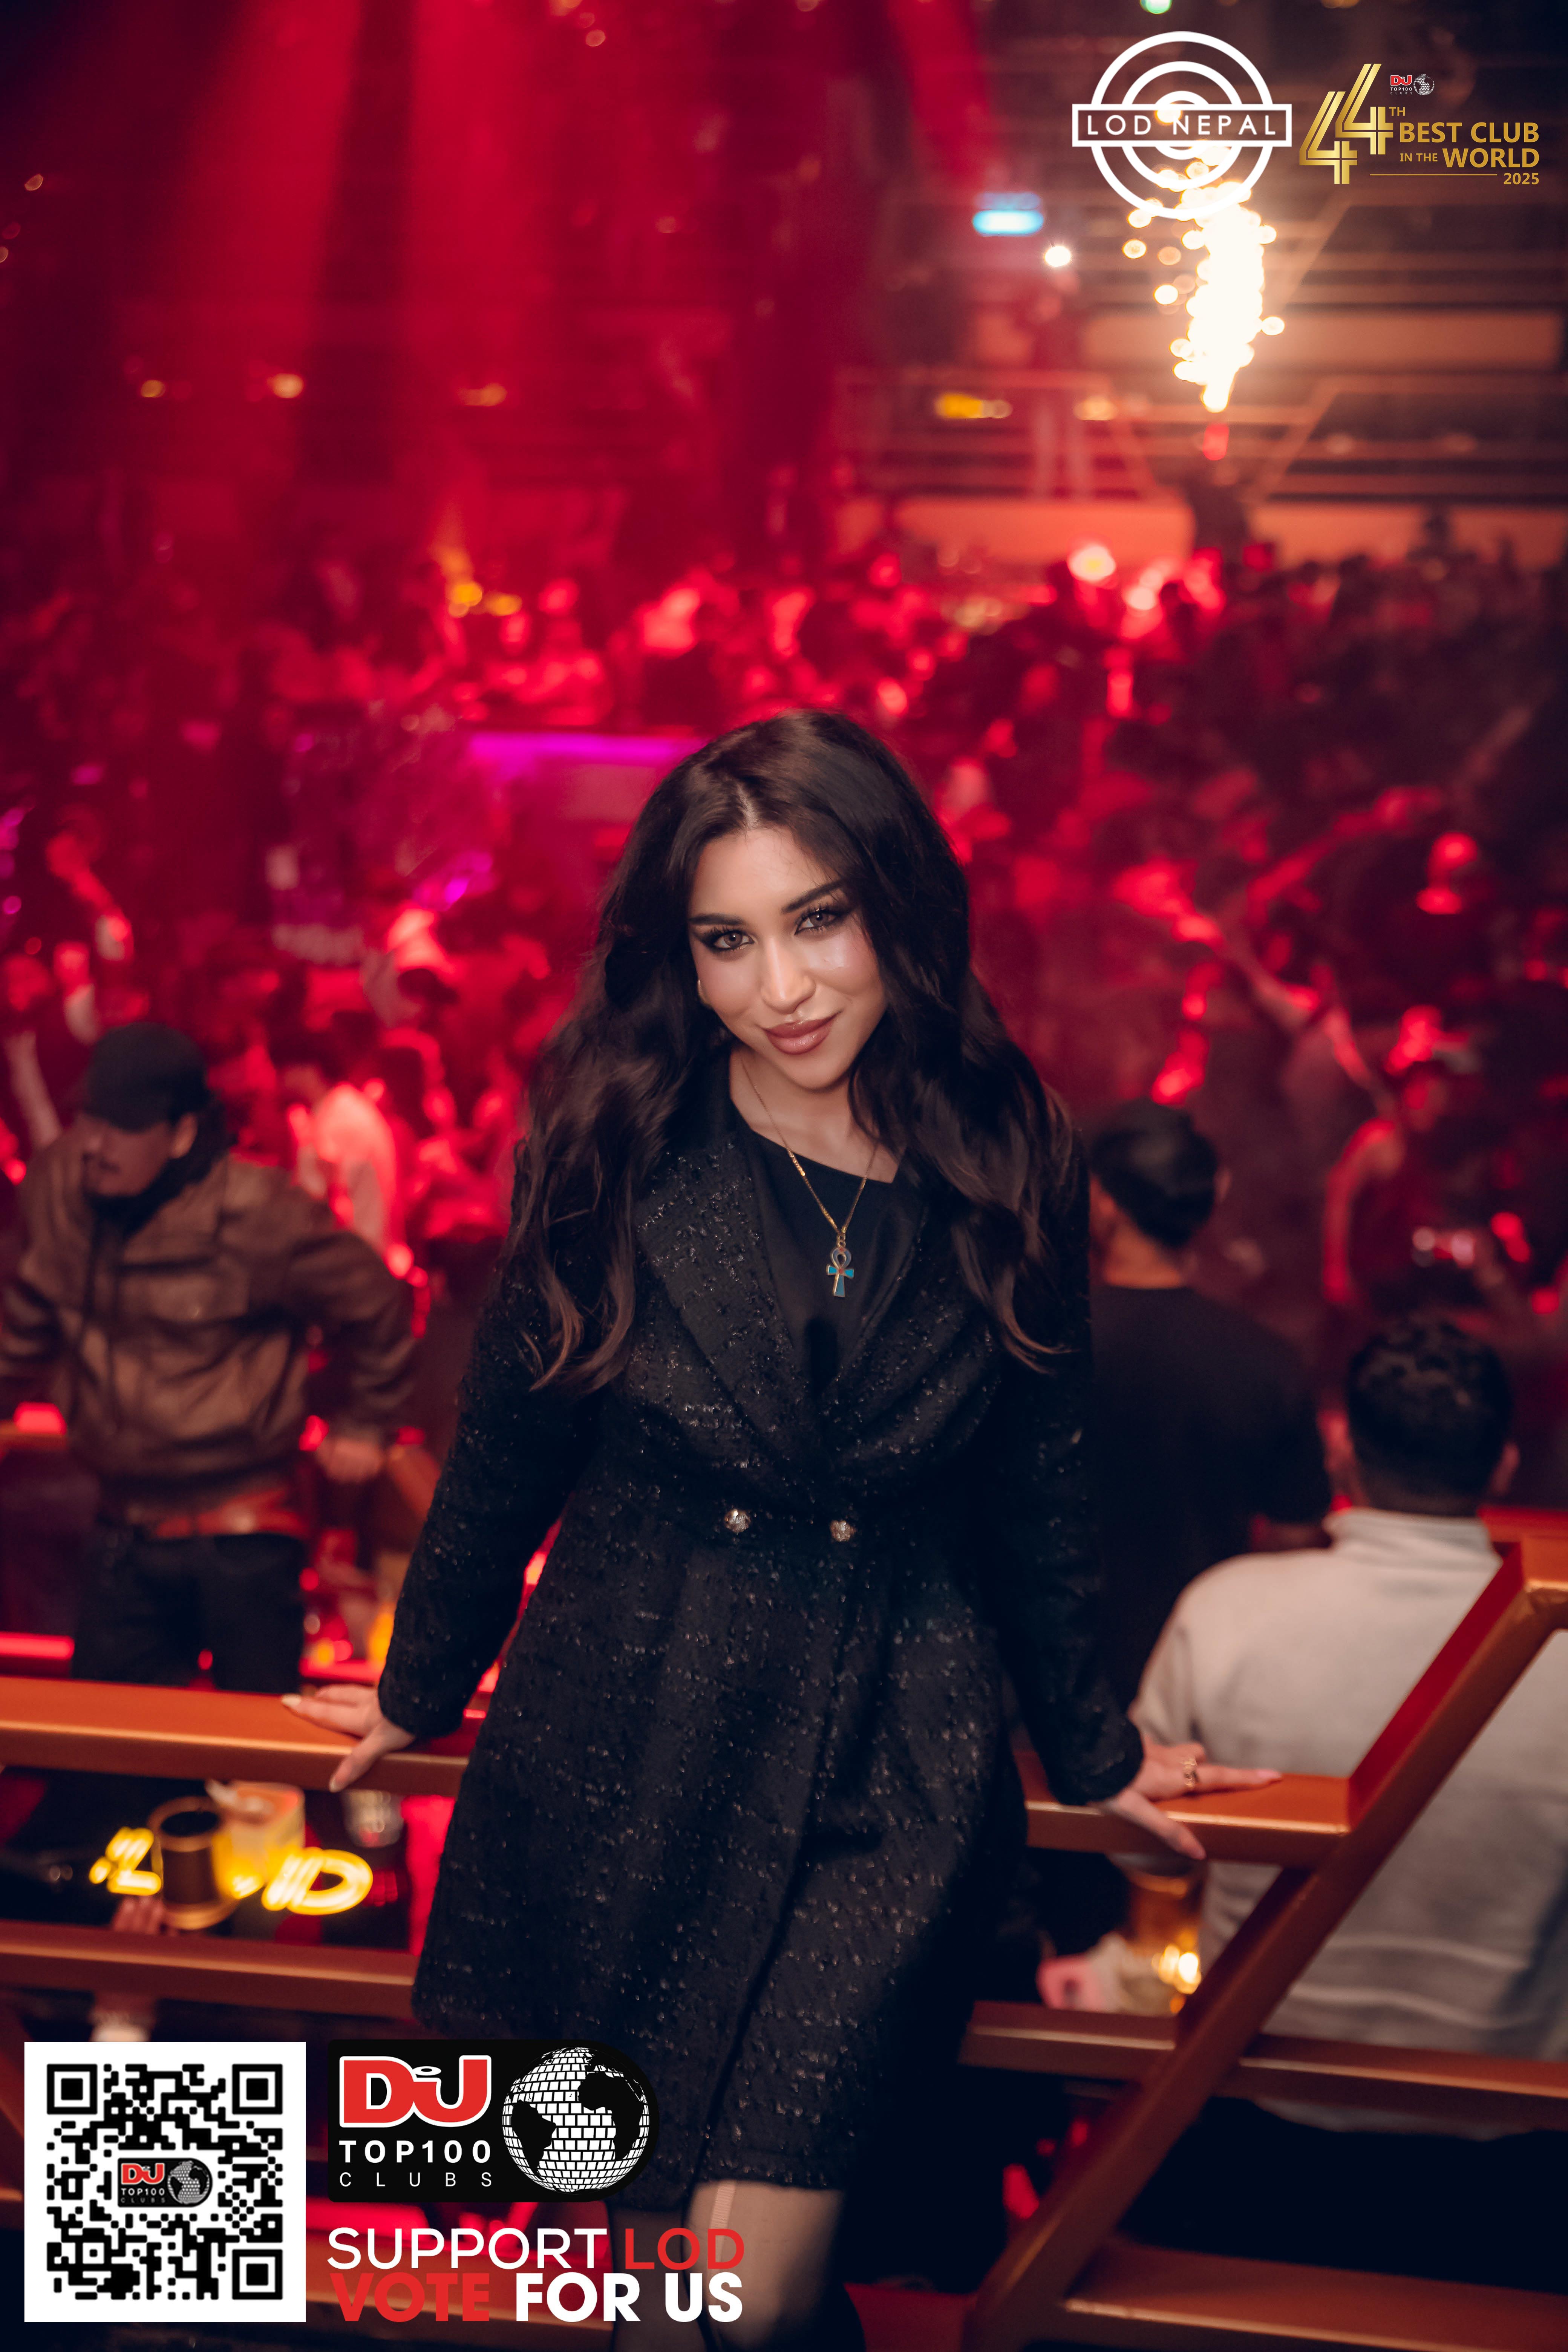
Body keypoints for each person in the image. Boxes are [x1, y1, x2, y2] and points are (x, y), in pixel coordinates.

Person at [287, 711, 1275, 2352]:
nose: (783, 987)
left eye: (821, 920)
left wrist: (1093, 1748)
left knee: (742, 2295)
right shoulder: (619, 1134)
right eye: (727, 940)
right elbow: (510, 1444)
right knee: (622, 2257)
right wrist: (418, 1682)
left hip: (892, 1750)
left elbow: (1037, 1489)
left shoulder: (1010, 1144)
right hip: (633, 1708)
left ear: (897, 898)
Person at [1128, 1318, 1568, 2292]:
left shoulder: (1227, 1608)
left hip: (1251, 2127)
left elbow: (1144, 1851)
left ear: (1340, 1451)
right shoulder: (1564, 1643)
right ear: (1502, 1465)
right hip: (1515, 2154)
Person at [0, 1023, 413, 1692]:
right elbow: (26, 1324)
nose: (96, 1145)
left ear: (182, 1132)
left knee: (254, 1745)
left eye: (122, 1127)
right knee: (109, 1741)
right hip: (121, 1522)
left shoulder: (259, 1212)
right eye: (89, 1121)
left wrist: (367, 1422)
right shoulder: (60, 1191)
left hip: (244, 1532)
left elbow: (378, 1303)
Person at [1089, 1100, 1331, 1705]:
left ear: (1105, 1203)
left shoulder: (1038, 1345)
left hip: (1052, 1677)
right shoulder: (1266, 1360)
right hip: (1202, 1675)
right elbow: (1296, 1535)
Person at [275, 1023, 406, 1267]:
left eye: (282, 1071)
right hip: (370, 1255)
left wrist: (300, 1141)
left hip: (363, 1263)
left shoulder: (338, 1121)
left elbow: (315, 1203)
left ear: (307, 1069)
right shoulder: (342, 1106)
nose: (277, 1081)